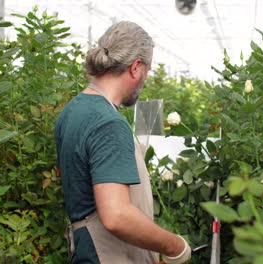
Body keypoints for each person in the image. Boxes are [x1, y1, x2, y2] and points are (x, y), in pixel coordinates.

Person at [54, 21, 191, 264]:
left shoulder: (73, 110)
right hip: (108, 255)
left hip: (86, 250)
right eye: (148, 70)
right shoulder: (108, 122)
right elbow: (116, 215)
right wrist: (175, 246)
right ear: (136, 67)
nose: (146, 77)